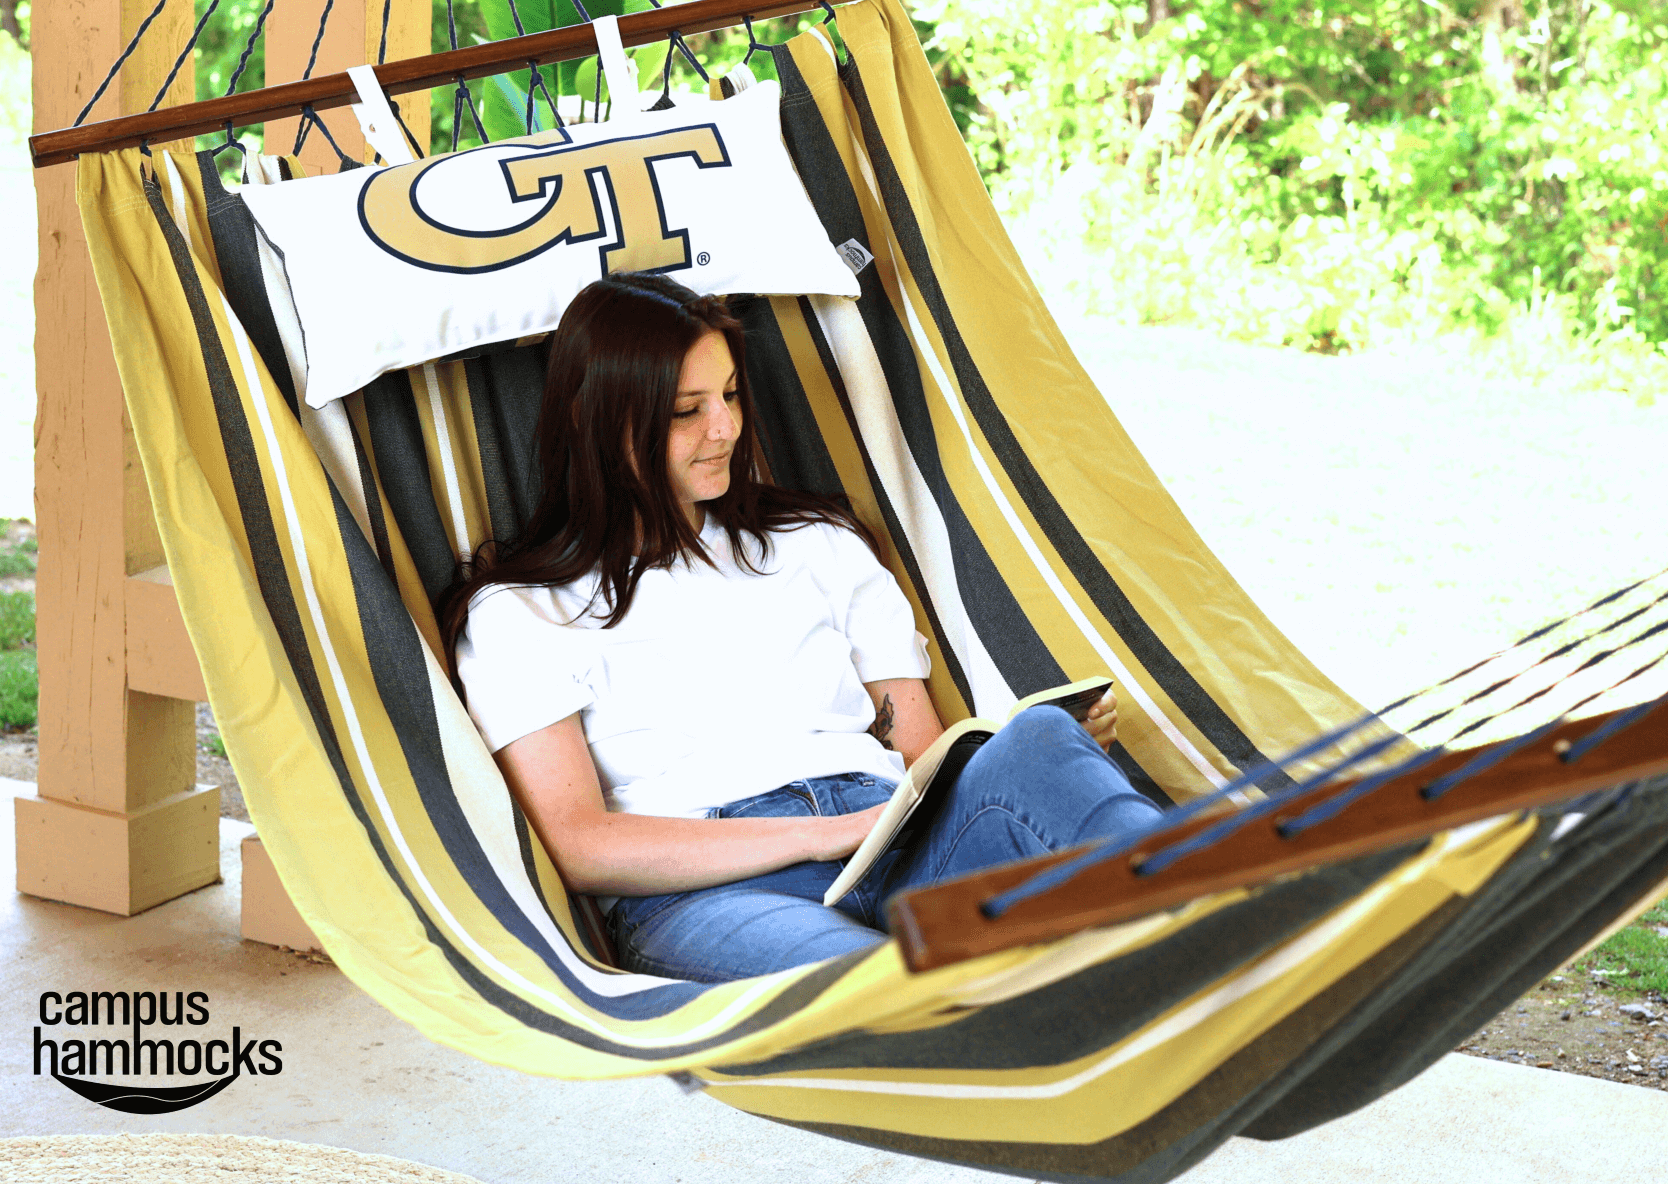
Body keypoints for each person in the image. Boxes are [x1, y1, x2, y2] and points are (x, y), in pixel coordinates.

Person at [440, 272, 1165, 983]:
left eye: (729, 395)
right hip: (713, 893)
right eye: (686, 410)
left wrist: (1036, 766)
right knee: (881, 988)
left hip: (896, 840)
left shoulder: (817, 543)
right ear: (594, 420)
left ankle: (1203, 925)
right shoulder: (522, 613)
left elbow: (922, 753)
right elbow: (579, 844)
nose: (725, 428)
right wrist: (820, 835)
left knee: (1039, 740)